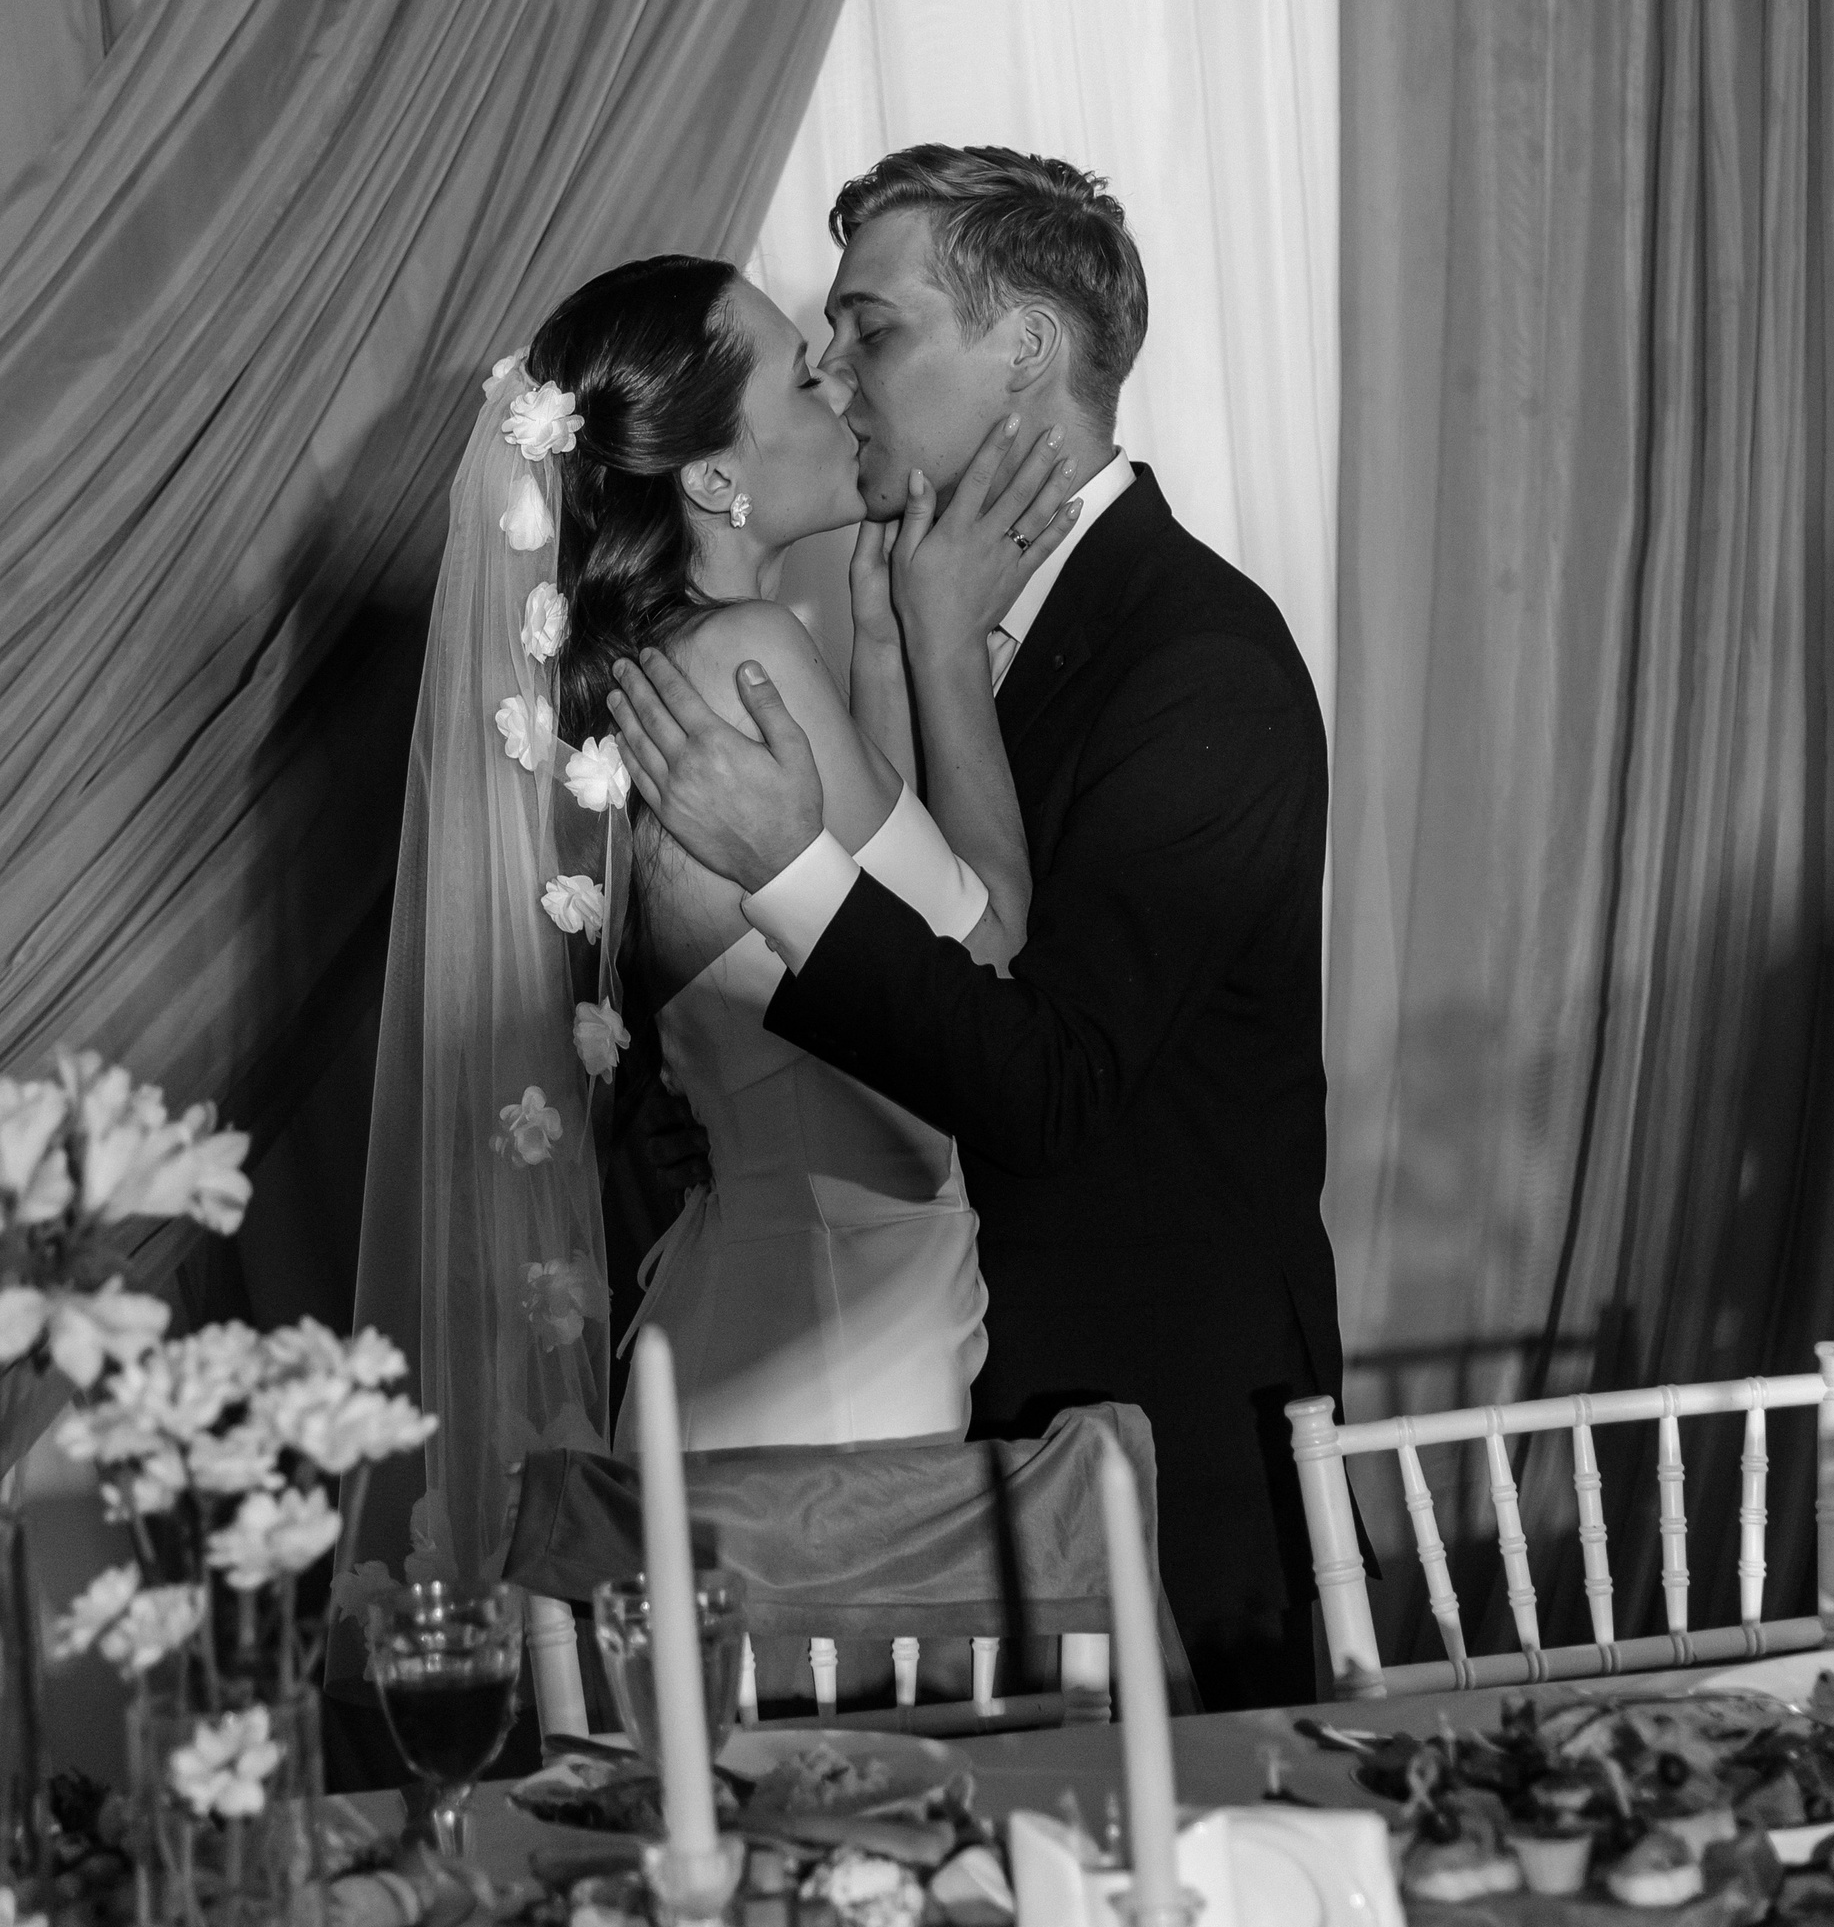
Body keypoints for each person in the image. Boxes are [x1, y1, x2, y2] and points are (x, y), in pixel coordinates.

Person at [609, 148, 1347, 1704]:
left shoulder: (1199, 660)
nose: (834, 370)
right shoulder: (889, 620)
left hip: (1156, 1442)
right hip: (919, 1435)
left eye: (871, 330)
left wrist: (791, 872)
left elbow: (1053, 1074)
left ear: (1027, 351)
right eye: (824, 340)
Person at [351, 255, 1082, 1580]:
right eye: (803, 376)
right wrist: (945, 647)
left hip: (759, 1308)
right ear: (709, 477)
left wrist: (876, 643)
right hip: (832, 1351)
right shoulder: (746, 655)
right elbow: (986, 959)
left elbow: (871, 926)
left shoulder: (666, 673)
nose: (840, 384)